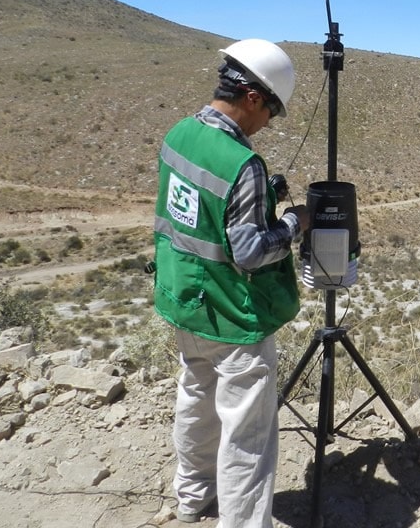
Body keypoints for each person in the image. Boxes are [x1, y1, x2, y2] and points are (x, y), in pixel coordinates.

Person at [152, 38, 310, 527]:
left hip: (184, 301)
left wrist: (260, 202)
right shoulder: (244, 165)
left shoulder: (179, 134)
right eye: (271, 113)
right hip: (232, 316)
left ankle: (192, 498)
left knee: (196, 401)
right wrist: (291, 223)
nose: (268, 126)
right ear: (254, 99)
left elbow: (198, 214)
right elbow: (250, 252)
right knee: (247, 433)